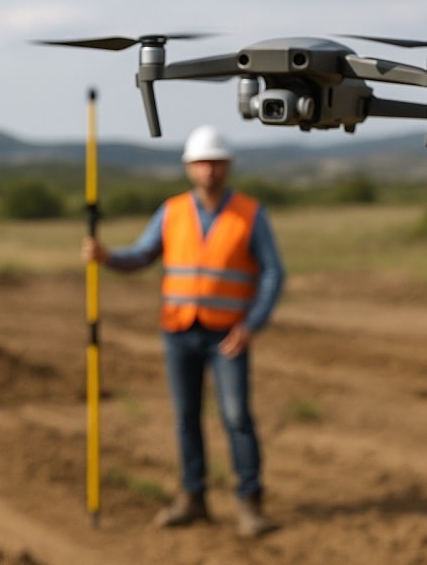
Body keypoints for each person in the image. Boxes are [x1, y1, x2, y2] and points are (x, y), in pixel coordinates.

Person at [83, 125, 285, 537]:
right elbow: (141, 256)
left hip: (229, 336)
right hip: (179, 332)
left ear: (226, 166)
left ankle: (250, 504)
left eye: (215, 162)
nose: (208, 170)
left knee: (236, 418)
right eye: (201, 163)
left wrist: (251, 325)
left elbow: (273, 274)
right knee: (185, 418)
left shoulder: (249, 213)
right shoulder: (172, 211)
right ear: (190, 168)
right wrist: (106, 256)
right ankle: (193, 498)